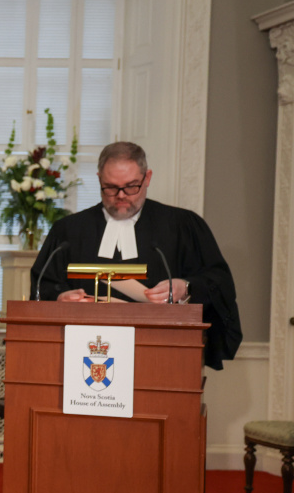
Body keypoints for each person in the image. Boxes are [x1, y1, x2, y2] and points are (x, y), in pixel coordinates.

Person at [30, 141, 242, 369]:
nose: (121, 196)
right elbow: (43, 286)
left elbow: (219, 281)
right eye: (110, 187)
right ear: (99, 179)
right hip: (83, 360)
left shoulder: (182, 226)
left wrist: (186, 287)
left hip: (164, 358)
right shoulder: (69, 231)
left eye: (131, 186)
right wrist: (60, 299)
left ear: (147, 178)